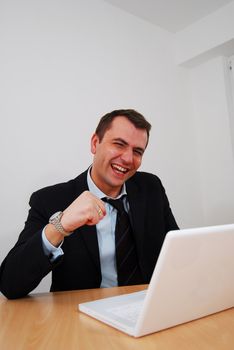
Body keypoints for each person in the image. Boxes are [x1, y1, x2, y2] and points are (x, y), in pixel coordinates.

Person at [0, 109, 179, 299]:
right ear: (95, 143)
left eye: (137, 151)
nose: (127, 159)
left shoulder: (151, 188)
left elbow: (177, 252)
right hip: (80, 317)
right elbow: (10, 284)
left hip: (146, 308)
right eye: (119, 144)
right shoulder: (49, 199)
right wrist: (60, 226)